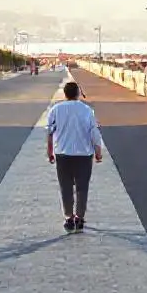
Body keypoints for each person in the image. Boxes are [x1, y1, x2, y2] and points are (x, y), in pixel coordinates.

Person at [46, 81, 103, 232]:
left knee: (65, 187)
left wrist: (50, 152)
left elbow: (50, 132)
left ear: (65, 94)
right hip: (84, 155)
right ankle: (80, 218)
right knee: (82, 188)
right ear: (78, 93)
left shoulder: (56, 110)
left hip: (63, 155)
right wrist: (98, 152)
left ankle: (68, 218)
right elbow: (94, 133)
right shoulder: (87, 110)